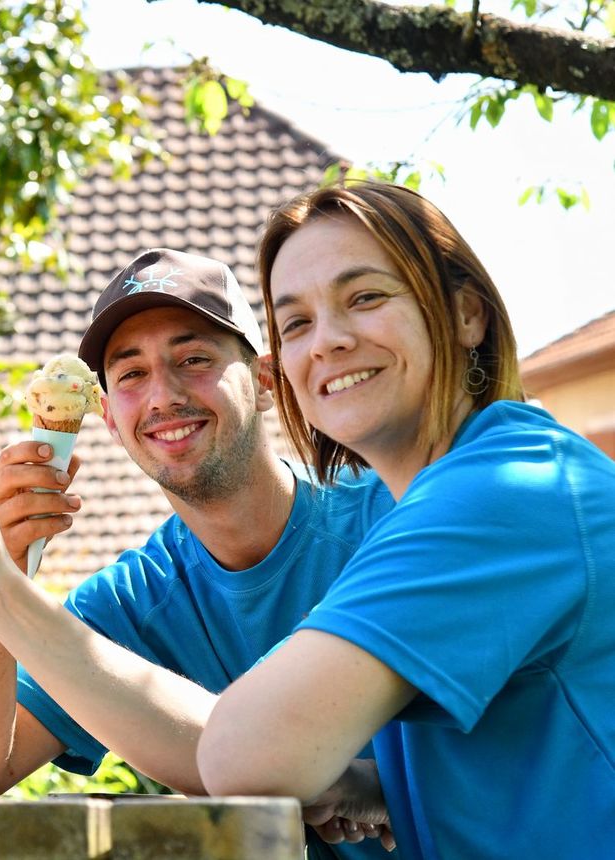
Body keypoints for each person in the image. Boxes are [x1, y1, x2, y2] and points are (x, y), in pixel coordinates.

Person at [0, 248, 395, 853]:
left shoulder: (392, 521)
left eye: (193, 359)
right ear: (108, 417)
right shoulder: (134, 599)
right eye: (131, 373)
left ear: (265, 382)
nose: (162, 396)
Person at [197, 181, 615, 858]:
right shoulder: (451, 495)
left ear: (466, 316)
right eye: (296, 322)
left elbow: (243, 755)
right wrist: (385, 780)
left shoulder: (504, 494)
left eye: (364, 297)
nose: (326, 342)